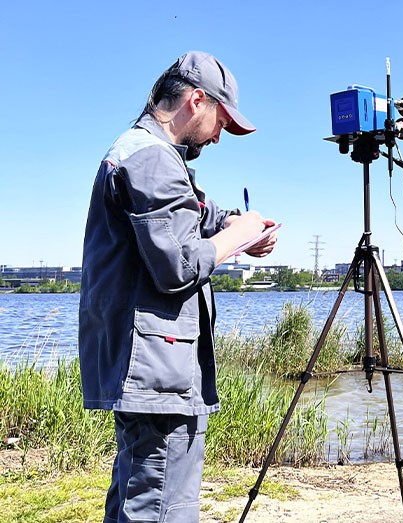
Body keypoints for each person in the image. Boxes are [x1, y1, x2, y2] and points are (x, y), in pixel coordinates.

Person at [79, 51, 277, 522]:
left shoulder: (143, 151)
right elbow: (178, 263)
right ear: (196, 100)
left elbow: (182, 215)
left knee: (139, 490)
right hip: (155, 365)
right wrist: (238, 236)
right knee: (162, 503)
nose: (218, 136)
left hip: (148, 361)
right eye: (220, 122)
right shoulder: (152, 158)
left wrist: (231, 222)